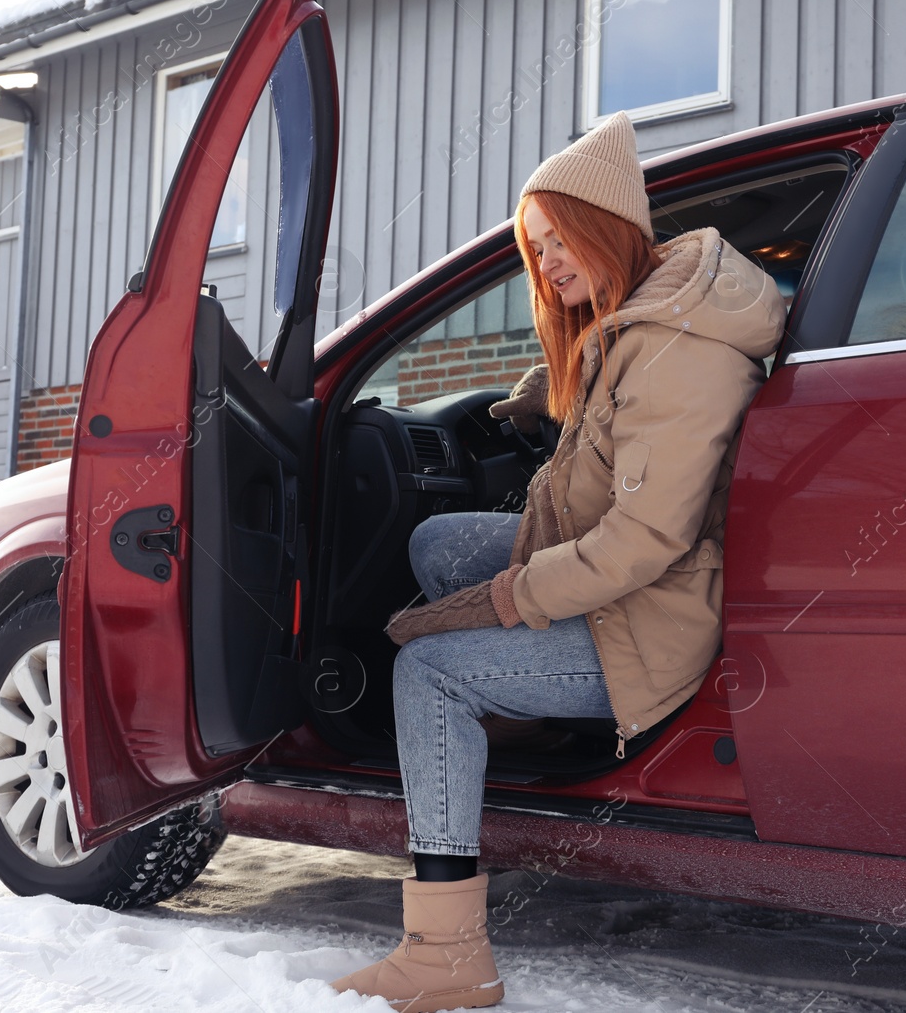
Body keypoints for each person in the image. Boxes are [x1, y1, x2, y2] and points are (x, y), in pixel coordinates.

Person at [330, 111, 784, 1012]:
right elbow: (623, 433)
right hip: (630, 587)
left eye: (559, 241)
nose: (548, 264)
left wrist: (508, 600)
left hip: (647, 622)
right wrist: (551, 395)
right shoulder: (641, 320)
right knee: (438, 541)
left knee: (428, 671)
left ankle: (445, 953)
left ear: (608, 224)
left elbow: (641, 540)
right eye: (535, 250)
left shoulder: (678, 352)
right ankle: (518, 717)